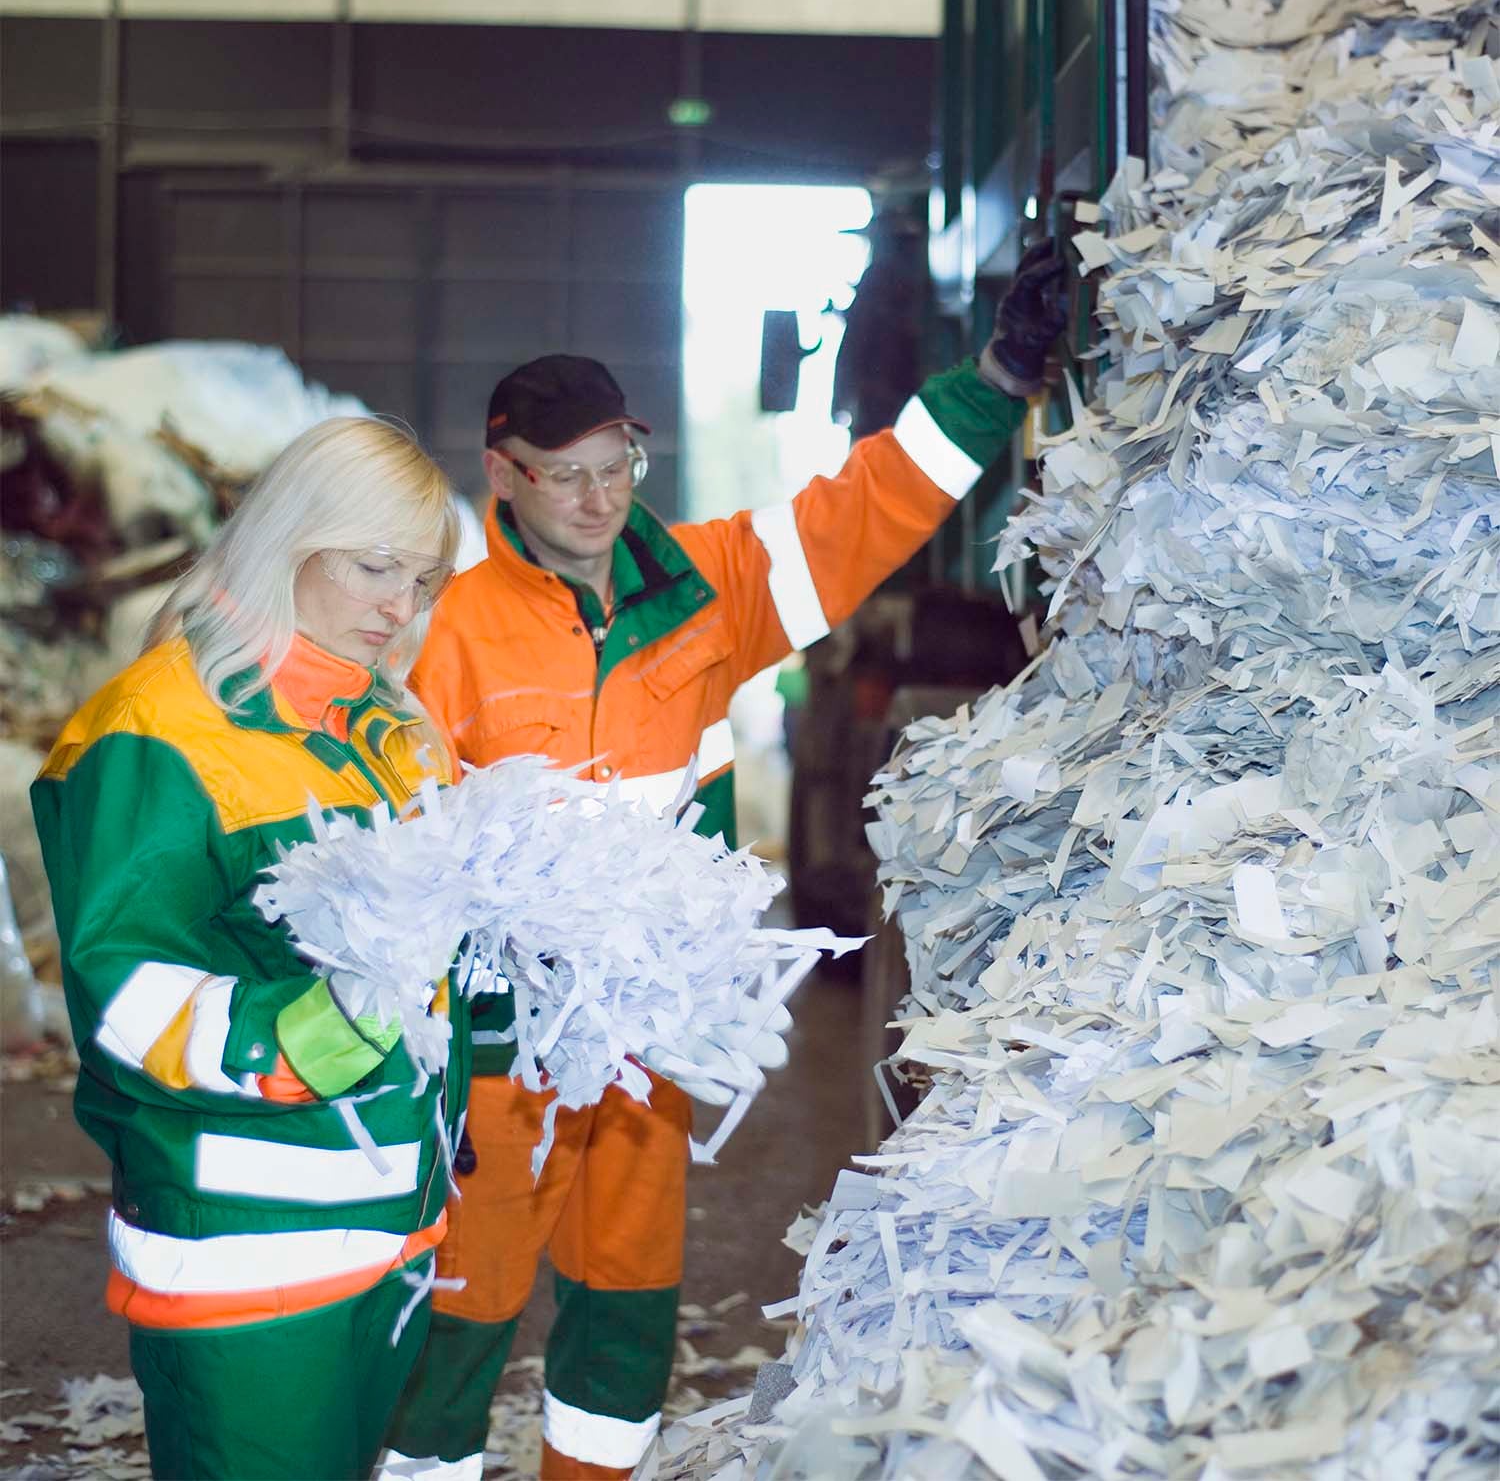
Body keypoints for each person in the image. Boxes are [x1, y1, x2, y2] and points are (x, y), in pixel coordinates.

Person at [380, 244, 1067, 1481]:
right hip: (499, 1039)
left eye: (616, 470)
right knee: (461, 1304)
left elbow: (865, 510)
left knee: (627, 1307)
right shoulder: (448, 631)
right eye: (566, 478)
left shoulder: (704, 585)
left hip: (651, 1039)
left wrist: (1001, 378)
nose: (599, 502)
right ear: (502, 476)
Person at [30, 417, 470, 1481]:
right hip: (246, 1249)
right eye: (375, 568)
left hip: (392, 1228)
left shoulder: (384, 725)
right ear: (291, 537)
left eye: (422, 580)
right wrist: (309, 1033)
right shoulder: (155, 734)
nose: (399, 609)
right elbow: (126, 991)